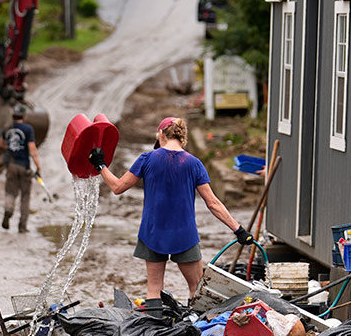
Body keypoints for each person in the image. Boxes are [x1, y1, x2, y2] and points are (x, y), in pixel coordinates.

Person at [88, 116, 253, 315]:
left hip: (153, 233)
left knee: (153, 289)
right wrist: (238, 229)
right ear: (182, 138)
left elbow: (117, 187)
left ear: (161, 135)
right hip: (184, 234)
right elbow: (213, 203)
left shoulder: (147, 159)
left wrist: (100, 165)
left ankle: (153, 334)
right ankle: (194, 331)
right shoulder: (194, 164)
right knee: (196, 288)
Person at [0, 104, 42, 233]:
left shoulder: (7, 129)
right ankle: (22, 226)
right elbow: (32, 149)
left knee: (10, 192)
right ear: (24, 116)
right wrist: (38, 166)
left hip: (11, 166)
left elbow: (2, 145)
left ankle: (8, 210)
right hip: (24, 166)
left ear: (13, 115)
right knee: (25, 196)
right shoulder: (28, 129)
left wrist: (12, 148)